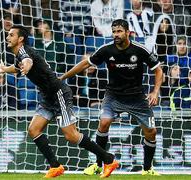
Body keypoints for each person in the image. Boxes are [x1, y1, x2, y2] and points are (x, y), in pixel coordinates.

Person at [0, 25, 119, 178]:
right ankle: (55, 166)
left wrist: (26, 68)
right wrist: (4, 69)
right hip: (48, 97)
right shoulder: (20, 53)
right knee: (33, 130)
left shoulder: (24, 52)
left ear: (20, 39)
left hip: (58, 93)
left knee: (71, 136)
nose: (8, 37)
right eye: (8, 35)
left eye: (11, 35)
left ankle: (109, 160)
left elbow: (27, 62)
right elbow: (17, 67)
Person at [60, 19, 163, 176]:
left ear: (128, 32)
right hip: (113, 95)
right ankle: (98, 165)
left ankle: (147, 169)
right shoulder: (106, 50)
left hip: (137, 97)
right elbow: (85, 64)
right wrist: (62, 78)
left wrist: (155, 92)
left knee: (151, 132)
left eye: (119, 31)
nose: (116, 34)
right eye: (114, 31)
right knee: (104, 122)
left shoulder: (140, 50)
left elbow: (158, 70)